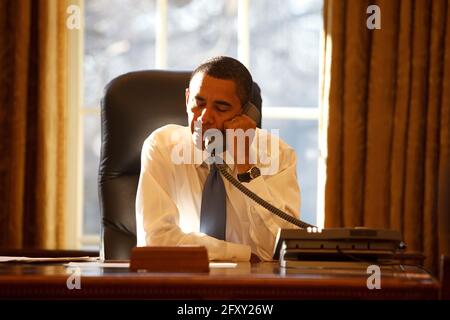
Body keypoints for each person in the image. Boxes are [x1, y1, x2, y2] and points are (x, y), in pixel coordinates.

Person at [136, 56, 301, 261]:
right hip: (179, 284)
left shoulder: (279, 155)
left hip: (255, 288)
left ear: (246, 113)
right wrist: (240, 254)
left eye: (221, 108)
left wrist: (245, 164)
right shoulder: (161, 146)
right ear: (187, 99)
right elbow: (157, 240)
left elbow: (278, 248)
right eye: (199, 103)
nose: (204, 119)